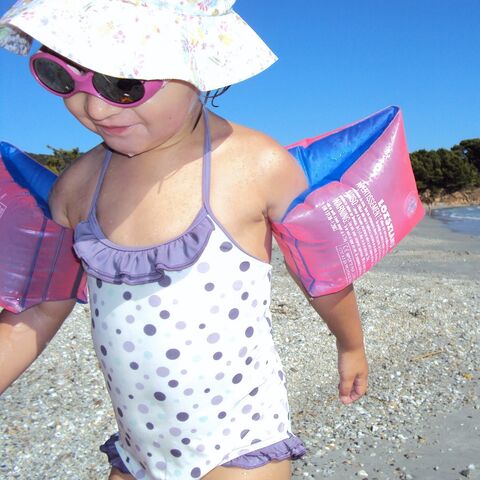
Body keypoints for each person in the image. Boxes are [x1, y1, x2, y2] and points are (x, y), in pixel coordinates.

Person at [0, 1, 368, 479]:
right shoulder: (78, 187)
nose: (94, 106)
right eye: (62, 77)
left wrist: (350, 345)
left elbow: (321, 274)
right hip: (138, 449)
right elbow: (40, 307)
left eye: (123, 84)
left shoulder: (255, 165)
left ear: (197, 69)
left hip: (242, 440)